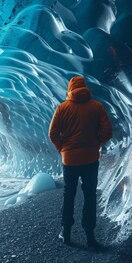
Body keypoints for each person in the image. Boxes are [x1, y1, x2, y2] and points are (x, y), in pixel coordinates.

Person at [48, 76, 112, 248]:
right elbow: (107, 132)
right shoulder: (96, 107)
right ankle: (90, 235)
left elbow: (52, 133)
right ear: (84, 88)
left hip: (69, 160)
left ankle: (66, 232)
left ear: (70, 90)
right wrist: (96, 143)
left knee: (69, 195)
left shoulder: (62, 108)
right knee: (89, 195)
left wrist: (62, 148)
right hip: (91, 158)